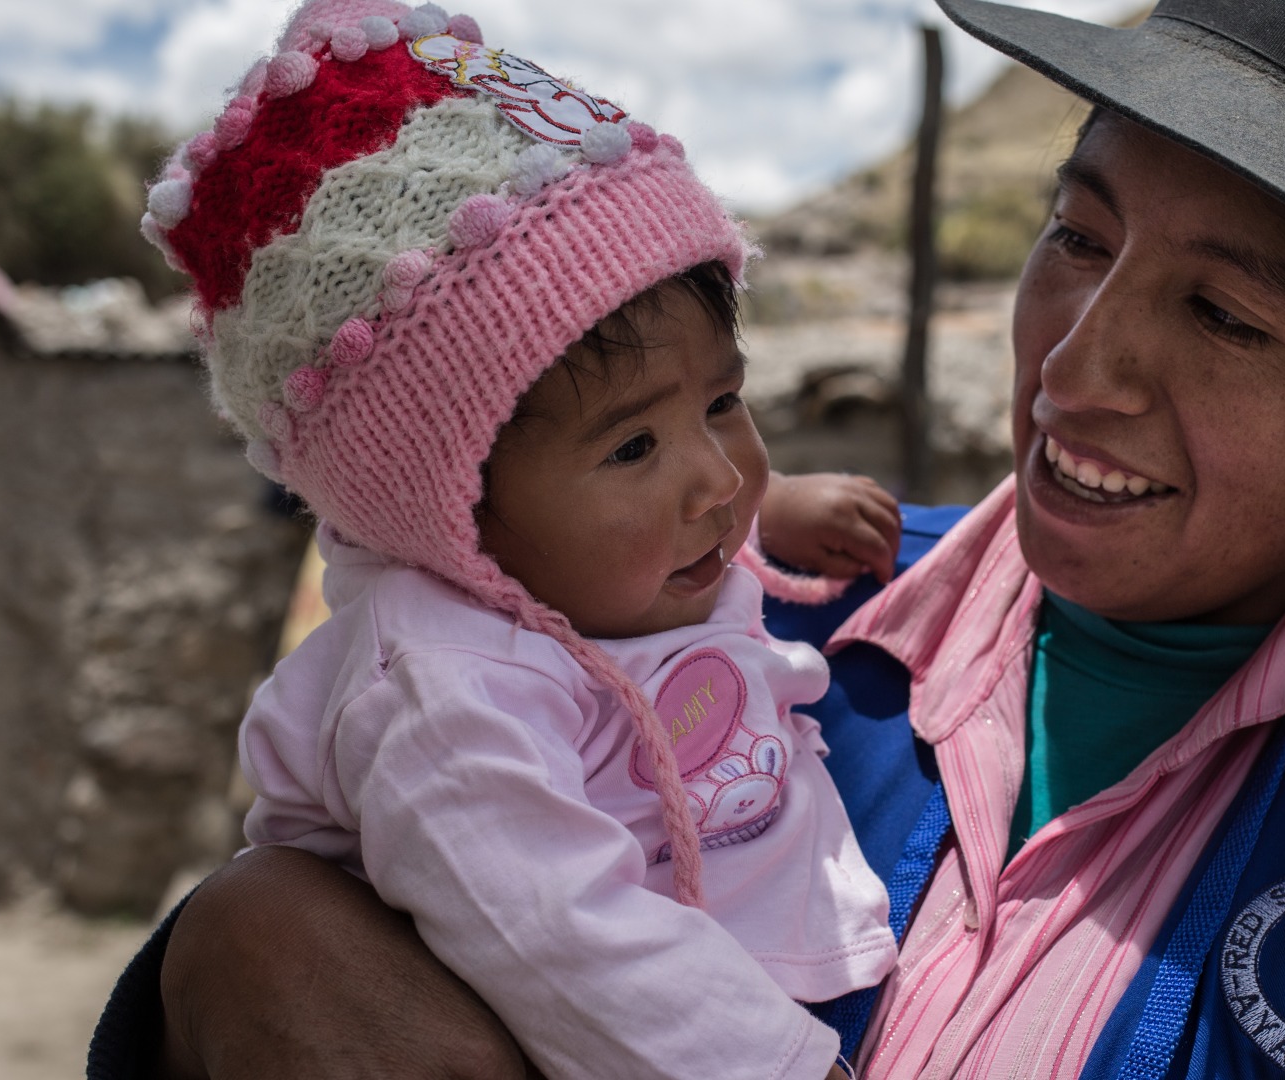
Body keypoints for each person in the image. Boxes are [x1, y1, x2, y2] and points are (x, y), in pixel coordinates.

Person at [91, 0, 1285, 1078]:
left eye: (1221, 312)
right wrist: (255, 952)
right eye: (1078, 237)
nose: (1078, 360)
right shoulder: (732, 616)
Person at [124, 2, 919, 1076]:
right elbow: (556, 935)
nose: (715, 478)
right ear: (450, 512)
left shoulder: (606, 562)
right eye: (634, 448)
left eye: (725, 402)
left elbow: (687, 485)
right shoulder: (443, 697)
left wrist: (770, 508)